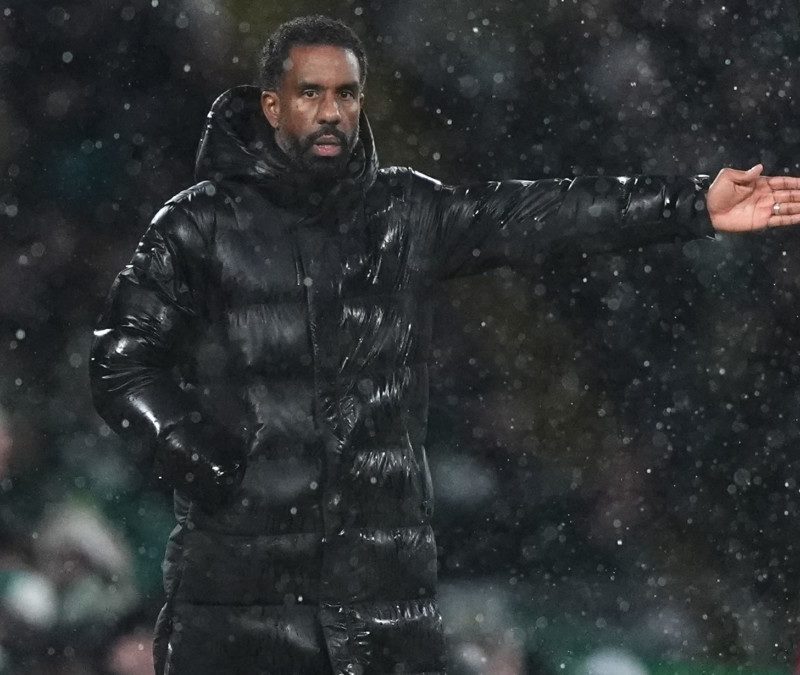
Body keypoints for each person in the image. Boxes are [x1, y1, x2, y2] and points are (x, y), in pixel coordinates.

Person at [89, 14, 800, 675]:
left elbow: (541, 214)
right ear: (272, 105)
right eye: (311, 93)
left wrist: (691, 204)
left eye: (346, 93)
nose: (332, 111)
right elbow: (121, 361)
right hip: (235, 592)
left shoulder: (404, 212)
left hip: (380, 596)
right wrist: (210, 464)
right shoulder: (200, 224)